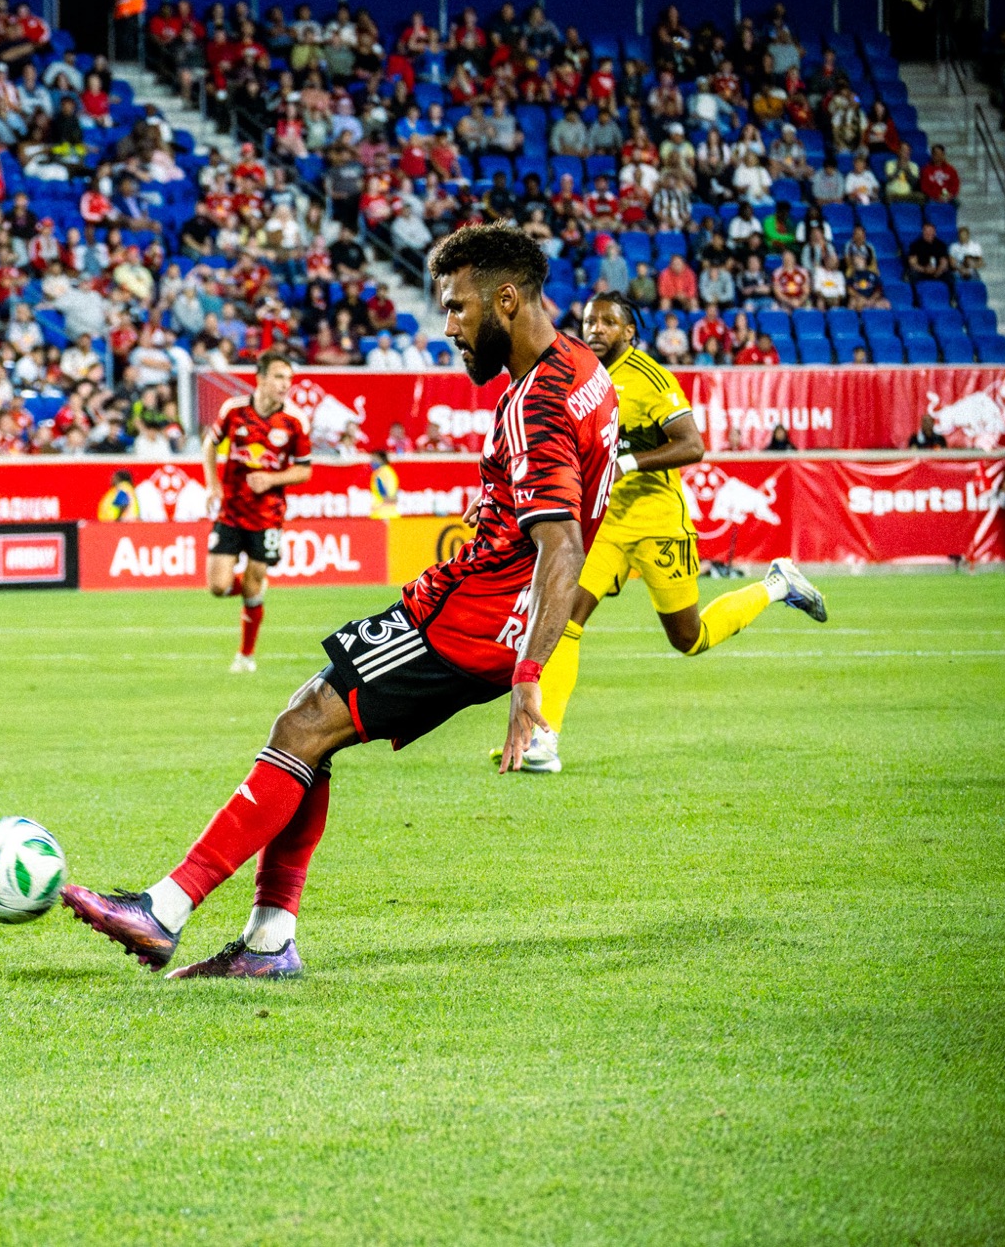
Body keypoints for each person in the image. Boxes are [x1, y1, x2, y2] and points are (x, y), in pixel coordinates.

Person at [59, 225, 618, 977]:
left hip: (471, 621)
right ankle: (264, 944)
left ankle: (165, 909)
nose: (448, 326)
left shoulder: (538, 402)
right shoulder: (584, 369)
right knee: (310, 724)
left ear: (507, 299)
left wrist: (528, 676)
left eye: (458, 309)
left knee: (303, 722)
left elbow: (563, 545)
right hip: (487, 615)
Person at [507, 293, 829, 774]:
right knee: (567, 617)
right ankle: (543, 741)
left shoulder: (651, 379)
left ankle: (776, 584)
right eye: (590, 320)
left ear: (630, 332)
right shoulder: (576, 376)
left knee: (688, 638)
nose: (595, 328)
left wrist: (628, 461)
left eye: (609, 322)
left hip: (658, 522)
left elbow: (693, 445)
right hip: (604, 523)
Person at [202, 353, 313, 675]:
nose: (285, 385)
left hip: (268, 516)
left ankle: (246, 655)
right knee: (218, 586)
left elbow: (304, 471)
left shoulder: (294, 421)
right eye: (279, 377)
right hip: (231, 510)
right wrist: (213, 485)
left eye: (289, 379)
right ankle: (254, 589)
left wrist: (272, 479)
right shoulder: (234, 410)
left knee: (253, 584)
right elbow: (210, 446)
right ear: (260, 378)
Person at [368, 451, 399, 519]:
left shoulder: (382, 473)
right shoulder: (387, 472)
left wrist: (378, 506)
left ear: (382, 460)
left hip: (383, 514)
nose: (372, 462)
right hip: (385, 512)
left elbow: (388, 496)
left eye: (374, 460)